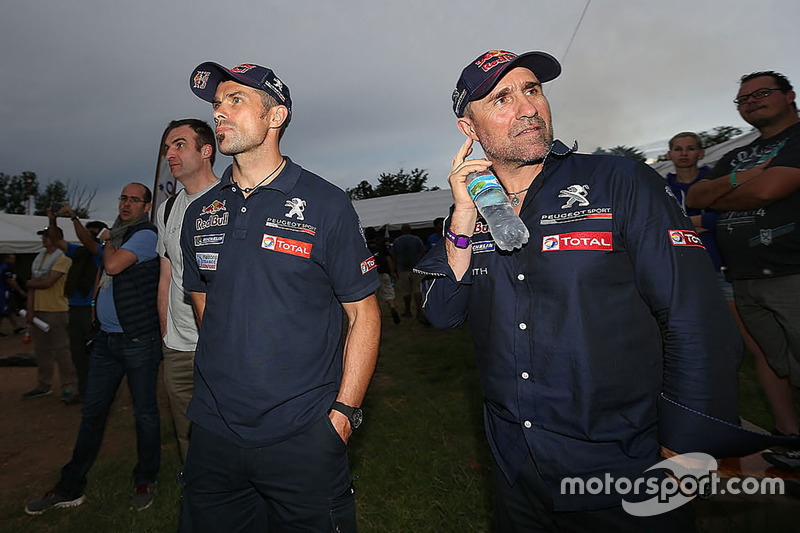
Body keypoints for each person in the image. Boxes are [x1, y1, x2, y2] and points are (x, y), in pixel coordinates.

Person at [416, 49, 745, 530]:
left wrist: (689, 443)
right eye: (502, 98)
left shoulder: (619, 182)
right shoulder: (470, 213)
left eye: (533, 90)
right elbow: (441, 312)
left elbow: (694, 319)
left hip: (626, 463)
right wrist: (462, 217)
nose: (528, 107)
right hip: (519, 466)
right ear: (470, 129)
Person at [179, 61, 381, 532]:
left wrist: (343, 416)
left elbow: (363, 314)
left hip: (303, 431)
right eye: (216, 105)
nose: (220, 114)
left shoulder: (324, 203)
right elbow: (203, 303)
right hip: (213, 430)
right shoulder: (201, 213)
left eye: (235, 101)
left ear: (276, 116)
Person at [25, 183, 162, 514]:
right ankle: (70, 487)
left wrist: (110, 238)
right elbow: (88, 246)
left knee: (145, 414)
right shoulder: (113, 237)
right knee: (92, 415)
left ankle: (145, 479)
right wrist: (70, 219)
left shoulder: (144, 236)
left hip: (138, 341)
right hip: (106, 341)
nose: (126, 203)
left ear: (146, 207)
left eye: (134, 200)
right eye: (123, 198)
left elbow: (113, 266)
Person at [686, 71, 800, 442]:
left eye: (762, 93)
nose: (751, 101)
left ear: (790, 95)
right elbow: (695, 197)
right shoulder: (739, 154)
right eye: (743, 99)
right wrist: (741, 179)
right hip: (745, 275)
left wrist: (727, 193)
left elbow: (769, 191)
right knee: (770, 359)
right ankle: (787, 435)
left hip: (792, 270)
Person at [156, 118, 219, 462]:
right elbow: (166, 276)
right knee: (187, 432)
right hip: (178, 348)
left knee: (229, 429)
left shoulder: (233, 200)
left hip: (224, 345)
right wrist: (166, 332)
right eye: (167, 148)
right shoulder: (166, 210)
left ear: (206, 151)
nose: (170, 154)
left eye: (179, 145)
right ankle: (195, 499)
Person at [47, 206, 107, 404]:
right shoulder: (78, 253)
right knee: (78, 354)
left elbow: (87, 242)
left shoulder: (101, 252)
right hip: (74, 308)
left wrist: (74, 217)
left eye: (92, 232)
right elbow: (57, 241)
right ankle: (84, 392)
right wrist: (53, 220)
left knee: (95, 355)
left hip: (91, 311)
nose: (87, 234)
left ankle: (98, 394)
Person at [22, 227, 77, 402]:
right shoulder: (39, 259)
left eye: (47, 235)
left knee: (62, 352)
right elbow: (33, 286)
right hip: (39, 311)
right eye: (43, 236)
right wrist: (30, 310)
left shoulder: (63, 258)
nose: (44, 239)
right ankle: (43, 385)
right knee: (42, 351)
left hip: (57, 310)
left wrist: (31, 283)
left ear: (57, 237)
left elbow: (48, 282)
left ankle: (69, 387)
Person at [365, 226, 401, 324]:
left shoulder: (363, 247)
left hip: (369, 275)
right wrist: (392, 272)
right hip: (383, 272)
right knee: (388, 292)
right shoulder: (381, 245)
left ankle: (375, 316)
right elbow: (388, 259)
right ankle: (392, 308)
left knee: (372, 296)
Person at [391, 223, 426, 320]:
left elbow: (394, 256)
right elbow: (423, 253)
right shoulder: (416, 239)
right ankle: (419, 311)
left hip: (403, 269)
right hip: (416, 268)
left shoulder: (397, 241)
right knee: (417, 289)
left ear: (402, 231)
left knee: (406, 291)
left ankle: (408, 310)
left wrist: (394, 270)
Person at [0, 254, 26, 336]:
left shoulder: (4, 268)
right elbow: (10, 281)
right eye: (12, 259)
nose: (13, 261)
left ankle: (16, 327)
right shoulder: (5, 269)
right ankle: (16, 327)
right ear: (6, 259)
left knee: (10, 310)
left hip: (4, 292)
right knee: (4, 311)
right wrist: (20, 290)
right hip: (4, 293)